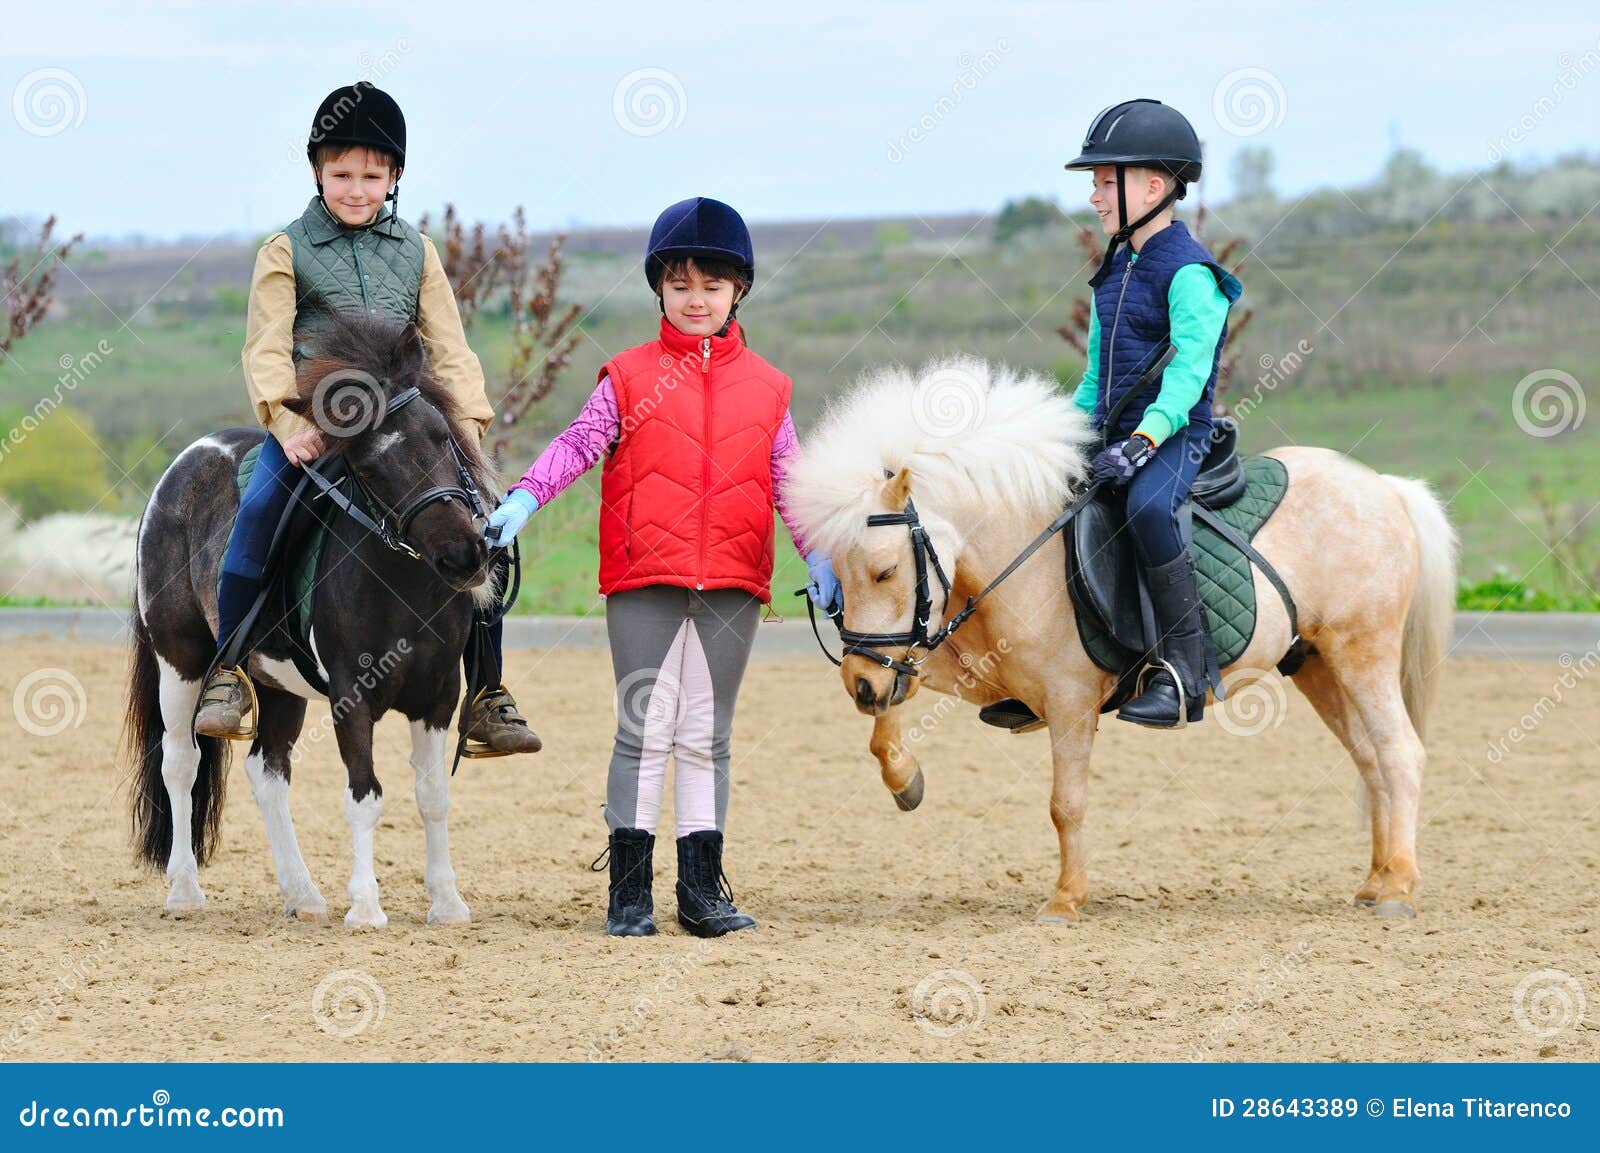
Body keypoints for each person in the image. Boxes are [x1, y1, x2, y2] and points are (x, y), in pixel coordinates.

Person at [484, 197, 839, 937]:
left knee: (707, 735)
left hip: (732, 583)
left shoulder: (770, 388)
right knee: (642, 728)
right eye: (680, 285)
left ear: (739, 290)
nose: (696, 299)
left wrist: (819, 551)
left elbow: (790, 479)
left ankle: (702, 892)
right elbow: (579, 443)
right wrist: (525, 496)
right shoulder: (627, 376)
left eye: (712, 286)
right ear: (659, 289)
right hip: (644, 577)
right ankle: (629, 895)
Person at [195, 81, 539, 755]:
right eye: (342, 175)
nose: (356, 190)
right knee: (259, 511)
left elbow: (450, 347)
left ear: (394, 177)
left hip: (406, 429)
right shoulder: (284, 249)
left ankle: (488, 693)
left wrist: (468, 431)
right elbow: (266, 348)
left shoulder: (418, 251)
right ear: (317, 173)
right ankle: (228, 671)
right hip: (319, 426)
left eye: (371, 177)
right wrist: (287, 426)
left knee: (483, 530)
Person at [1066, 98, 1244, 728]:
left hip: (1175, 434)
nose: (1094, 198)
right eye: (1093, 184)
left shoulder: (1192, 274)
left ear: (1152, 187)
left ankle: (1184, 675)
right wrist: (1061, 436)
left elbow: (1189, 374)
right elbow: (1094, 377)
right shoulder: (1113, 271)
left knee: (1146, 508)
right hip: (1114, 433)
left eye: (1104, 183)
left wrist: (1143, 441)